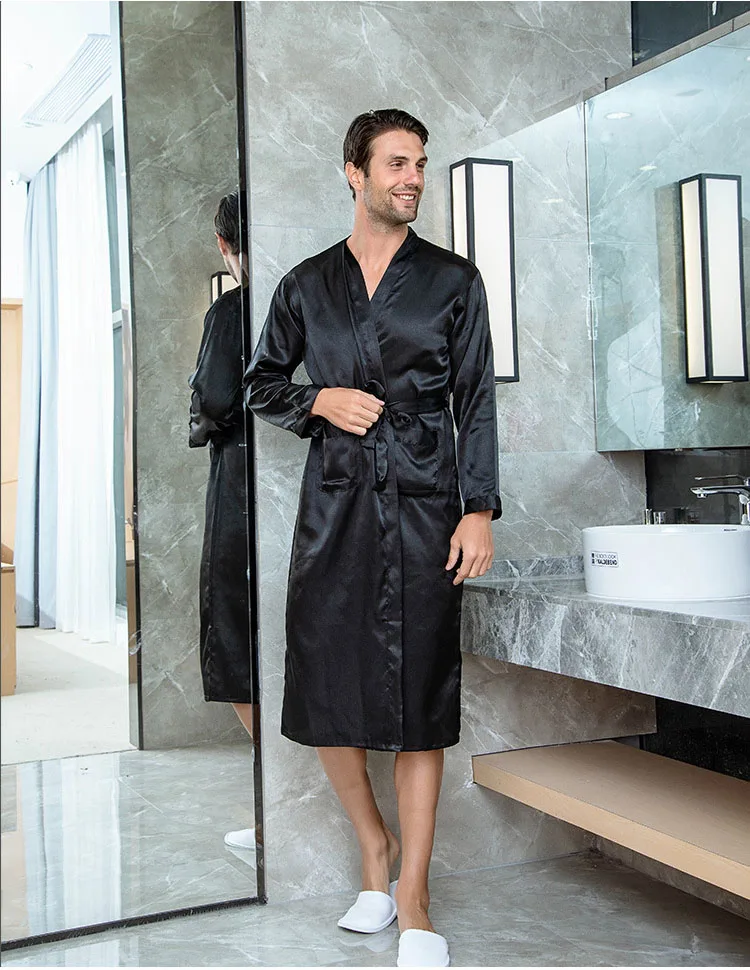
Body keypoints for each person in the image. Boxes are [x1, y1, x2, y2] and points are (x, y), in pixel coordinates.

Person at [245, 109, 501, 968]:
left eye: (419, 164)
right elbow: (260, 382)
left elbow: (476, 401)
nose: (413, 178)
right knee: (327, 682)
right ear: (354, 173)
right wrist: (317, 400)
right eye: (397, 163)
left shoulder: (454, 280)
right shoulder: (307, 285)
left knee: (420, 696)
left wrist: (478, 508)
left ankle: (415, 898)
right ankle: (374, 851)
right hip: (336, 505)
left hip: (428, 506)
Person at [189, 191, 257, 850]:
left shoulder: (234, 309)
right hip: (314, 493)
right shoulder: (315, 302)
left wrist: (202, 417)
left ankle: (286, 802)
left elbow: (213, 398)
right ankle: (284, 808)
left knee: (232, 641)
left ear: (223, 244)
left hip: (239, 486)